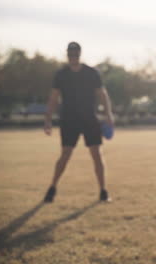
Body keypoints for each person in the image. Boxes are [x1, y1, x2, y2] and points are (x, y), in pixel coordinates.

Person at [43, 42, 114, 202]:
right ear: (67, 54)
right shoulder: (61, 74)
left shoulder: (92, 73)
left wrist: (109, 115)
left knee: (96, 154)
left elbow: (103, 94)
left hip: (89, 118)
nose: (72, 56)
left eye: (75, 53)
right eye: (70, 53)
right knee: (65, 155)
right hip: (69, 120)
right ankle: (52, 188)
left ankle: (103, 191)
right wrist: (47, 119)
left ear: (79, 54)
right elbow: (53, 98)